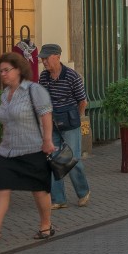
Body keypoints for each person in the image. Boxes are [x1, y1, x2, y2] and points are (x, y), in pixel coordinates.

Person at [0, 52, 56, 243]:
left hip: (33, 148)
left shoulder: (33, 90)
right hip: (8, 151)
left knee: (39, 189)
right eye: (0, 70)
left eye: (6, 70)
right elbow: (6, 121)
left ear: (18, 70)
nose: (2, 74)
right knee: (2, 187)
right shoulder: (4, 95)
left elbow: (46, 115)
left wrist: (47, 140)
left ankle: (46, 225)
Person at [38, 43, 90, 210]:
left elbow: (83, 101)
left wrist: (76, 118)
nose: (44, 61)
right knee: (53, 159)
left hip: (70, 121)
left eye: (47, 58)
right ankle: (58, 199)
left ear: (58, 57)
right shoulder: (44, 77)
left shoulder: (72, 76)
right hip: (51, 122)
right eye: (42, 58)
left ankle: (83, 192)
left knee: (72, 159)